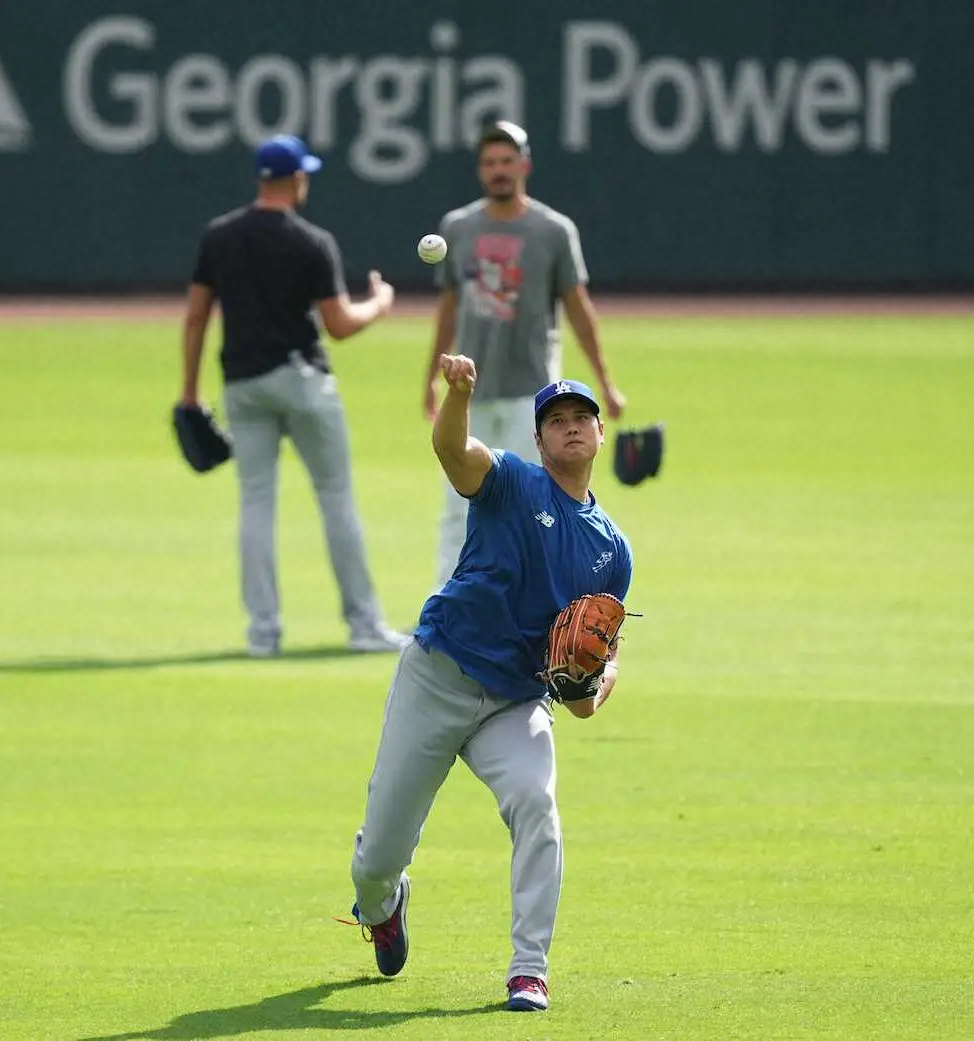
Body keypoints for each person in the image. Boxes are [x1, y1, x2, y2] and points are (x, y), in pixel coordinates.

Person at [345, 355, 634, 1013]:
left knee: (538, 803)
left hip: (514, 700)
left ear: (598, 433)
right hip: (438, 674)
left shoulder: (611, 551)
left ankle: (529, 969)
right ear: (538, 440)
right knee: (375, 860)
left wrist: (607, 671)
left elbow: (583, 699)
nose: (569, 427)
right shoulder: (509, 481)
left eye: (580, 417)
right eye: (555, 420)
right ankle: (383, 905)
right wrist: (459, 393)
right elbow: (452, 449)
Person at [179, 133, 407, 657]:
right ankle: (364, 625)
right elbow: (340, 324)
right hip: (302, 381)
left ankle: (263, 633)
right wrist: (380, 303)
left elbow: (196, 317)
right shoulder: (311, 241)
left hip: (242, 384)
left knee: (256, 504)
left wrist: (190, 392)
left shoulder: (219, 236)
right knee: (335, 499)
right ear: (297, 179)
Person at [424, 121, 627, 589]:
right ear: (480, 170)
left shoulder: (552, 230)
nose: (498, 170)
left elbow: (578, 307)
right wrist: (430, 380)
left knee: (535, 506)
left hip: (531, 393)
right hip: (469, 390)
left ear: (524, 165)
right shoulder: (459, 227)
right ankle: (445, 605)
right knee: (457, 509)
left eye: (506, 161)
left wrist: (606, 380)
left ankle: (533, 604)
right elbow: (449, 308)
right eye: (490, 162)